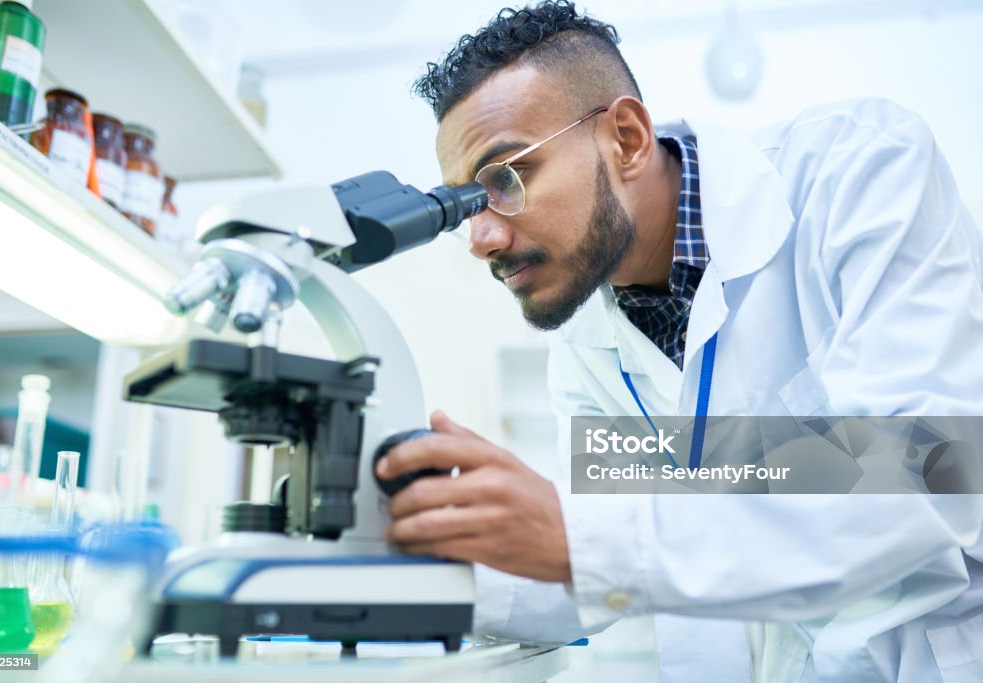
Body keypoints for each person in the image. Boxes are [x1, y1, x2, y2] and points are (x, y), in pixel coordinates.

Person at [373, 2, 983, 681]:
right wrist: (424, 568)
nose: (481, 239)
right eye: (464, 205)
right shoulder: (586, 349)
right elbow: (599, 571)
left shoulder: (859, 171)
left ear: (627, 138)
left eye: (505, 180)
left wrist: (576, 534)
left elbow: (928, 470)